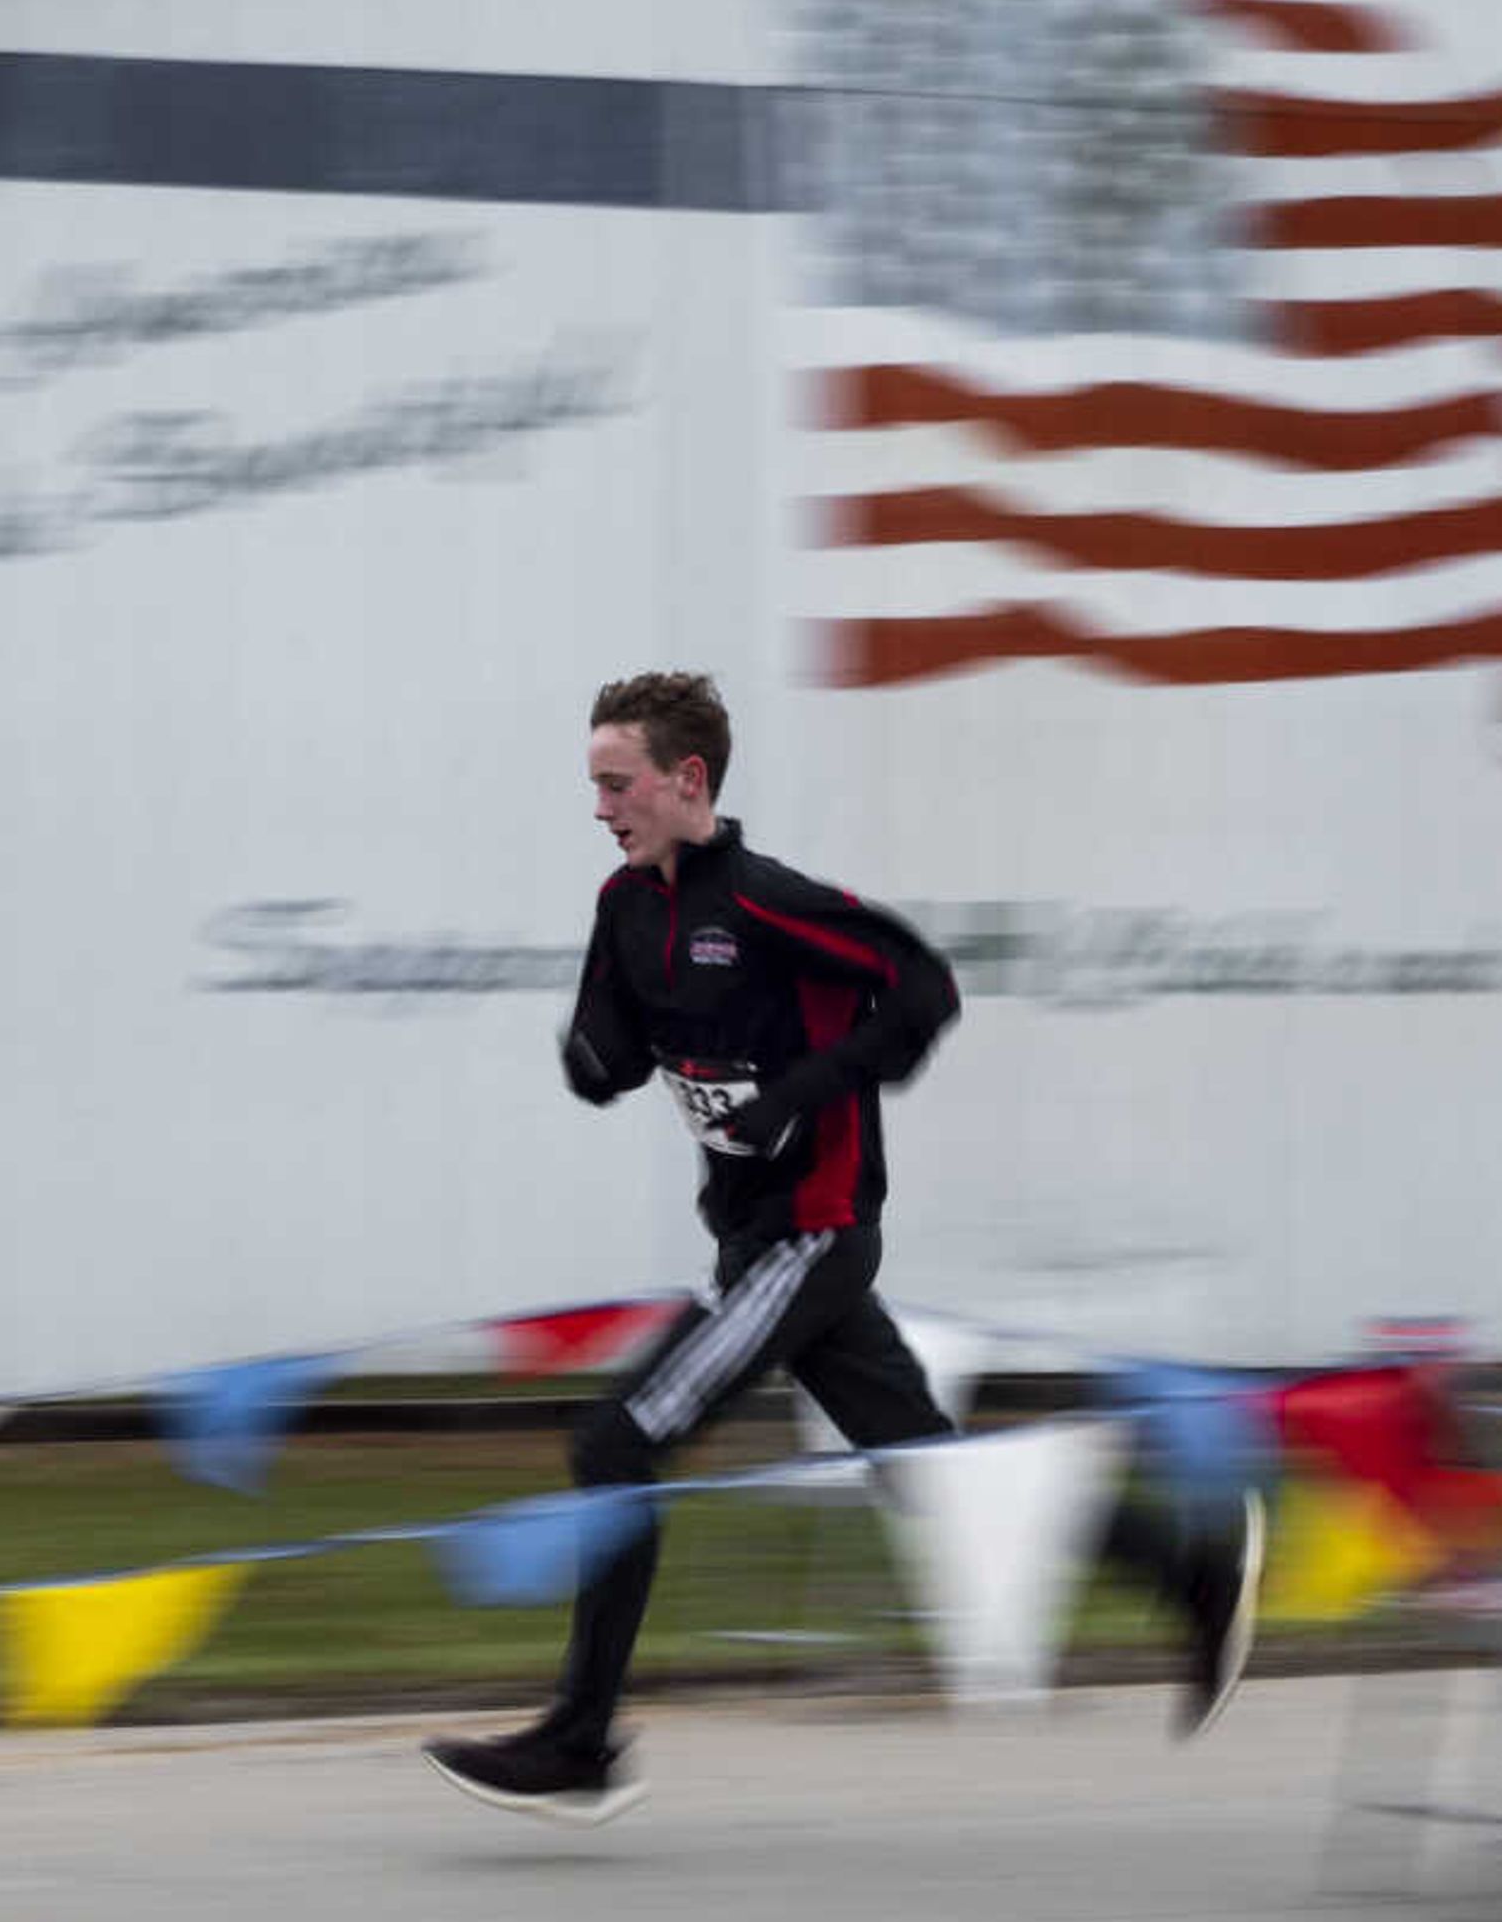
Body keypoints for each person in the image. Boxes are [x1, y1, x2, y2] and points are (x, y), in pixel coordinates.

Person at [425, 670, 1261, 1825]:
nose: (602, 805)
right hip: (748, 1247)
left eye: (617, 783)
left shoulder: (771, 900)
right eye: (594, 787)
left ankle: (582, 1737)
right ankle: (1191, 1568)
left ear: (689, 779)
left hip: (815, 1239)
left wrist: (803, 1093)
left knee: (616, 1439)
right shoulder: (625, 906)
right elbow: (611, 1057)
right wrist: (587, 1051)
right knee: (936, 1476)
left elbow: (925, 989)